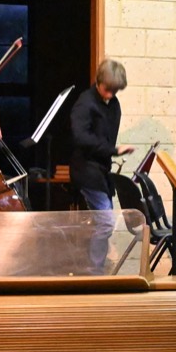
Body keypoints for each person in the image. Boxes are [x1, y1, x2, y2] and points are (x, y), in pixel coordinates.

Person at [69, 59, 136, 271]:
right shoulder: (85, 103)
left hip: (100, 171)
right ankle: (94, 271)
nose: (110, 95)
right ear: (98, 82)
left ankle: (95, 268)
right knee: (106, 222)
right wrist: (113, 150)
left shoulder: (114, 105)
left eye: (114, 91)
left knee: (103, 222)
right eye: (107, 89)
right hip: (86, 170)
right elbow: (80, 137)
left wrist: (112, 152)